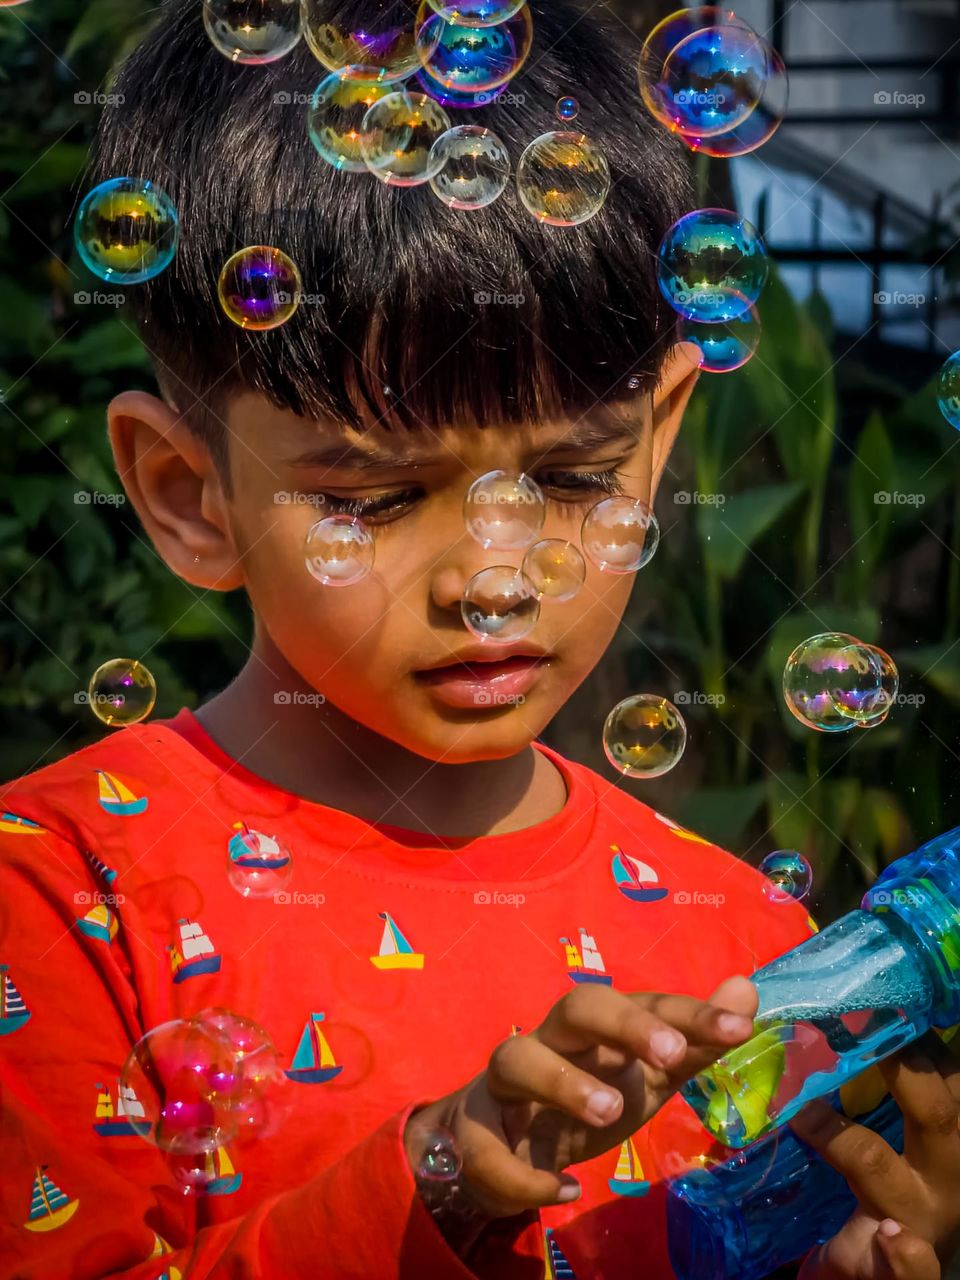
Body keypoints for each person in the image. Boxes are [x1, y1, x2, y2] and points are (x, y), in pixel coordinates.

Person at [2, 1, 958, 1276]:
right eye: (376, 499)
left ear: (661, 436)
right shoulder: (60, 898)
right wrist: (429, 1197)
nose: (494, 583)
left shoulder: (746, 944)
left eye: (571, 477)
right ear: (190, 495)